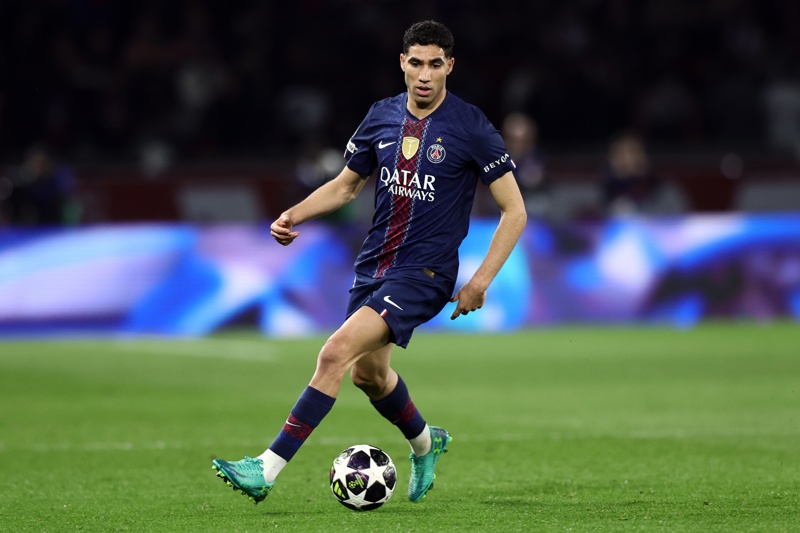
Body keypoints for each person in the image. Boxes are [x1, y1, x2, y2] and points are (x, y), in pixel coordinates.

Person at [212, 20, 527, 505]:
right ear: (403, 63)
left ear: (450, 67)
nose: (425, 74)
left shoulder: (471, 127)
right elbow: (345, 185)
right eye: (416, 62)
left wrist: (480, 281)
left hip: (425, 273)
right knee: (369, 376)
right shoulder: (381, 116)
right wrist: (293, 214)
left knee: (335, 354)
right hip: (374, 266)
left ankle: (265, 468)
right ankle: (427, 443)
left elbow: (515, 210)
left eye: (435, 64)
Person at [600, 131, 660, 216]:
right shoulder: (598, 198)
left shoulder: (668, 195)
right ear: (611, 159)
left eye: (636, 151)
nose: (631, 159)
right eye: (623, 153)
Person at [501, 111, 549, 218]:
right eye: (513, 140)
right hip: (503, 202)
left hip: (531, 200)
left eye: (522, 141)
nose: (517, 145)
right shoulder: (499, 157)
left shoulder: (536, 157)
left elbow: (531, 180)